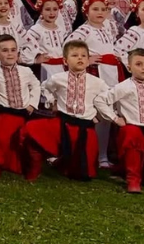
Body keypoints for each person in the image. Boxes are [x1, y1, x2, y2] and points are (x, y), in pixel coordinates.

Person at [96, 48, 144, 193]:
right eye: (139, 64)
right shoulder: (124, 86)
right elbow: (100, 100)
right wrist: (115, 118)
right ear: (129, 67)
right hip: (133, 128)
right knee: (132, 138)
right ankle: (133, 181)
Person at [0, 34, 44, 178]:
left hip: (24, 113)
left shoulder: (26, 71)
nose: (10, 54)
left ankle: (26, 166)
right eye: (5, 50)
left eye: (13, 50)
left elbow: (36, 85)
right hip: (4, 113)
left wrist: (32, 105)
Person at [66, 0, 121, 168]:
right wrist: (86, 59)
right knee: (95, 112)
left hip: (112, 72)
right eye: (95, 9)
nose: (100, 12)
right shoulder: (84, 30)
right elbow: (68, 46)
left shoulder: (109, 28)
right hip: (96, 72)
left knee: (107, 112)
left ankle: (103, 155)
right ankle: (90, 153)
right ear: (86, 12)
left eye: (103, 9)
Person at [42, 40, 109, 181]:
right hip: (65, 122)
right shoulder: (58, 78)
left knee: (87, 168)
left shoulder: (97, 82)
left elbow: (107, 98)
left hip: (86, 125)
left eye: (84, 56)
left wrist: (99, 112)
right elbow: (45, 88)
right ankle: (58, 160)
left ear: (88, 60)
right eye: (75, 55)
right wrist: (51, 101)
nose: (80, 58)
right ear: (65, 61)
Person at [21, 0, 67, 82]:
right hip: (45, 69)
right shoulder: (36, 30)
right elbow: (24, 48)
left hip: (61, 68)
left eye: (55, 9)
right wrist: (35, 59)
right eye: (47, 9)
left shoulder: (61, 30)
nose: (51, 13)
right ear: (41, 10)